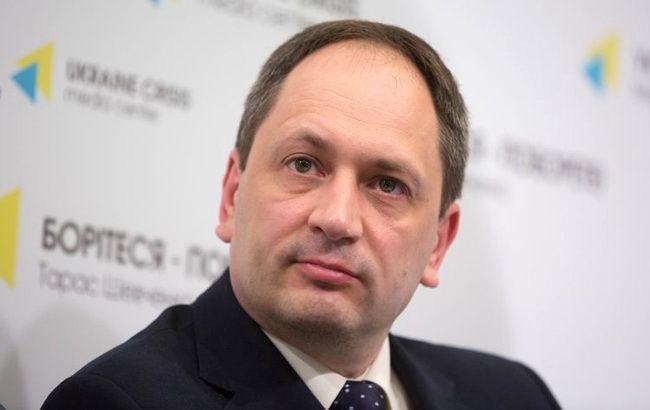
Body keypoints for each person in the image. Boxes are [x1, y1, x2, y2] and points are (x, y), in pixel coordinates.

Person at [43, 20, 561, 409]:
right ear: (232, 195)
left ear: (439, 244)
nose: (337, 219)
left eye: (387, 185)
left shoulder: (515, 396)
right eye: (304, 164)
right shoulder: (118, 401)